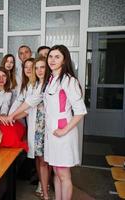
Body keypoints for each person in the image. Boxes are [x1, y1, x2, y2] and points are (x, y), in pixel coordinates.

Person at [45, 45, 87, 200]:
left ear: (64, 60)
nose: (52, 60)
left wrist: (63, 131)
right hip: (52, 132)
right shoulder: (51, 79)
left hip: (63, 132)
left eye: (57, 57)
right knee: (56, 172)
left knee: (64, 174)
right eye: (50, 56)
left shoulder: (69, 81)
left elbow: (80, 111)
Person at [7, 57, 51, 199]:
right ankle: (44, 191)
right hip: (36, 127)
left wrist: (12, 115)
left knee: (44, 161)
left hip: (44, 128)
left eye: (41, 67)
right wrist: (11, 117)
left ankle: (45, 192)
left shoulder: (47, 85)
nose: (38, 70)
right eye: (36, 68)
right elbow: (27, 108)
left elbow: (30, 102)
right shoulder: (36, 84)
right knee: (38, 160)